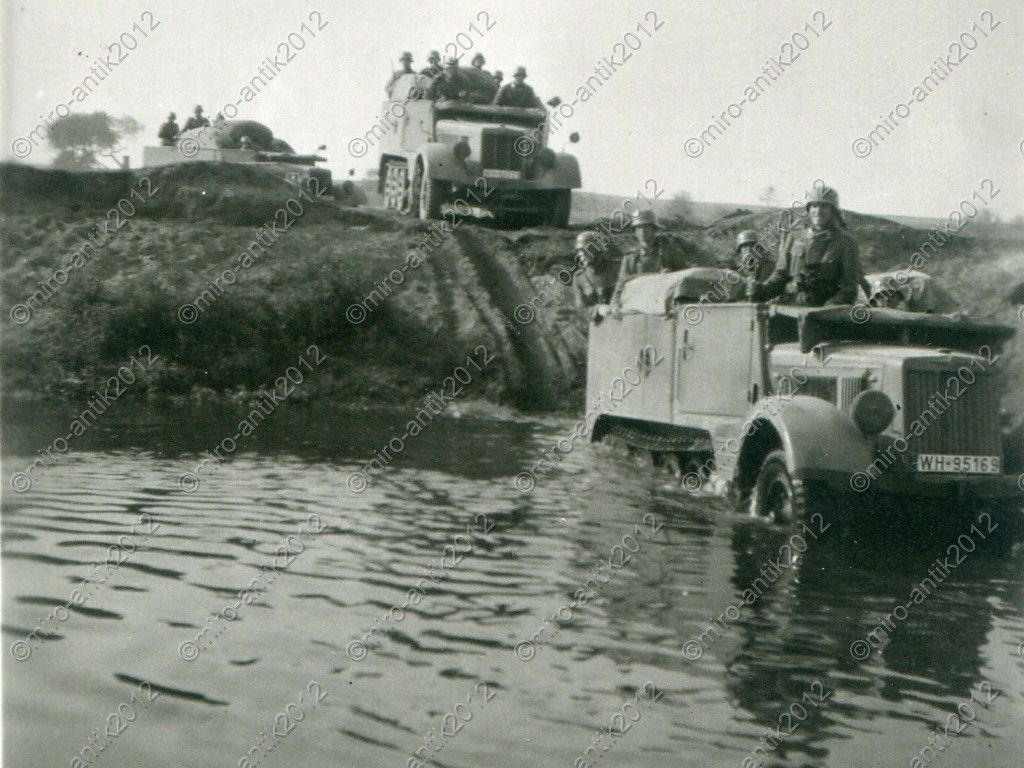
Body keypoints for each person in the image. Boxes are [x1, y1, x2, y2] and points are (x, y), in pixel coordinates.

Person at [751, 185, 865, 306]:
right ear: (808, 210)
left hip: (826, 312)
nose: (819, 211)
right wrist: (761, 291)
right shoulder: (795, 236)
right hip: (791, 306)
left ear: (833, 211)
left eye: (824, 206)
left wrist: (826, 310)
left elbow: (849, 289)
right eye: (814, 205)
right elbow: (780, 275)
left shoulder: (846, 242)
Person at [612, 209, 672, 302]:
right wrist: (614, 304)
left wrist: (670, 275)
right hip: (638, 301)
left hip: (663, 301)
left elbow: (684, 278)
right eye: (638, 227)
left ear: (654, 229)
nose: (642, 231)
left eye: (646, 227)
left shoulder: (669, 252)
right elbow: (621, 284)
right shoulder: (630, 256)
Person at [571, 231, 620, 309]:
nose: (582, 254)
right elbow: (581, 309)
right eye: (580, 250)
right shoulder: (579, 277)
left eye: (588, 249)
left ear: (599, 250)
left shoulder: (618, 269)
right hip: (597, 319)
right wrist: (598, 309)